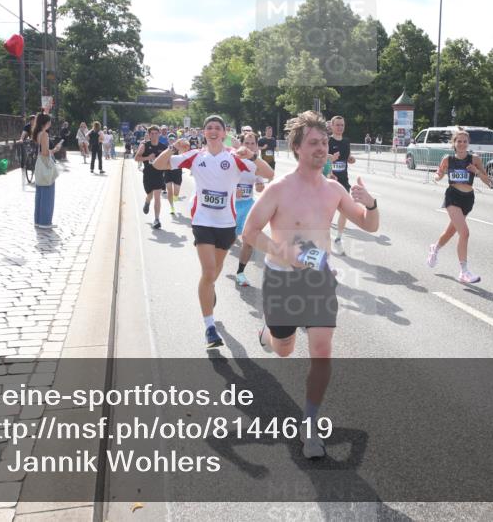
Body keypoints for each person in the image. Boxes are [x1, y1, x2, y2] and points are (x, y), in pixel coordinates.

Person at [242, 110, 379, 459]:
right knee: (284, 349)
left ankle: (310, 423)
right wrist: (288, 255)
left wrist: (371, 204)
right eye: (315, 143)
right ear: (298, 148)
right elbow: (250, 232)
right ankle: (269, 335)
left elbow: (369, 225)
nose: (322, 148)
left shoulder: (334, 189)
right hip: (282, 280)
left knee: (321, 351)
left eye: (325, 143)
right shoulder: (279, 189)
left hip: (319, 280)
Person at [153, 116, 272, 348]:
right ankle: (209, 327)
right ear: (204, 132)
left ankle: (209, 289)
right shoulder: (196, 155)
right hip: (203, 221)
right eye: (209, 128)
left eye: (218, 128)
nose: (213, 131)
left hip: (226, 224)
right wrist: (173, 146)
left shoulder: (234, 157)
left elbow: (268, 174)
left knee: (212, 275)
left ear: (225, 132)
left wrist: (252, 156)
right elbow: (158, 164)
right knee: (208, 272)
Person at [426, 130, 493, 283]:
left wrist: (476, 171)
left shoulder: (474, 159)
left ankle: (435, 248)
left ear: (468, 143)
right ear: (454, 143)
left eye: (465, 141)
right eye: (459, 141)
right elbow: (440, 172)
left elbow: (488, 181)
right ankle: (464, 271)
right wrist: (437, 177)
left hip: (468, 200)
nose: (462, 144)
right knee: (465, 233)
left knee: (450, 232)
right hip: (453, 196)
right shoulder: (448, 159)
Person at [234, 132, 274, 287]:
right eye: (247, 143)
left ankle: (240, 273)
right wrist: (232, 190)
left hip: (248, 205)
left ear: (257, 146)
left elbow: (260, 185)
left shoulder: (258, 163)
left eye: (253, 144)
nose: (250, 147)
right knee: (228, 240)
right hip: (229, 206)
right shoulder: (232, 160)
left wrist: (260, 185)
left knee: (248, 240)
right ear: (241, 144)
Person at [327, 115, 356, 256]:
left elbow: (347, 158)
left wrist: (351, 159)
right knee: (328, 212)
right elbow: (322, 160)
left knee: (345, 211)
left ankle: (338, 238)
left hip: (344, 181)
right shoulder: (327, 141)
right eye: (337, 125)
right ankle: (324, 238)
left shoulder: (346, 141)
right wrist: (330, 160)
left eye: (342, 125)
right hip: (330, 181)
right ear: (331, 126)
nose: (340, 127)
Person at [32, 112, 63, 228]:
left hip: (39, 163)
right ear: (46, 123)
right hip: (45, 164)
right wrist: (55, 149)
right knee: (48, 192)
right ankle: (45, 222)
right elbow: (45, 153)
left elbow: (41, 152)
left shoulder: (37, 133)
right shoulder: (44, 134)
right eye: (49, 121)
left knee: (40, 192)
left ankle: (38, 220)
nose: (50, 123)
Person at [136, 126, 167, 229]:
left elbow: (168, 160)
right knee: (150, 195)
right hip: (148, 175)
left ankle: (156, 219)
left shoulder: (163, 147)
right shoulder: (144, 145)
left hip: (158, 175)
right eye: (151, 134)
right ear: (149, 135)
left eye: (155, 133)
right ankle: (147, 201)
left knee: (157, 197)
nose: (153, 135)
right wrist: (148, 158)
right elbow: (136, 158)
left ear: (159, 134)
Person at [163, 132, 183, 214]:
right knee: (169, 190)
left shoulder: (179, 149)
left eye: (173, 139)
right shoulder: (165, 148)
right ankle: (172, 207)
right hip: (167, 171)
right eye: (170, 139)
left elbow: (183, 157)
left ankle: (175, 198)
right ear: (168, 140)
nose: (171, 140)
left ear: (175, 140)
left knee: (176, 193)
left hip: (177, 171)